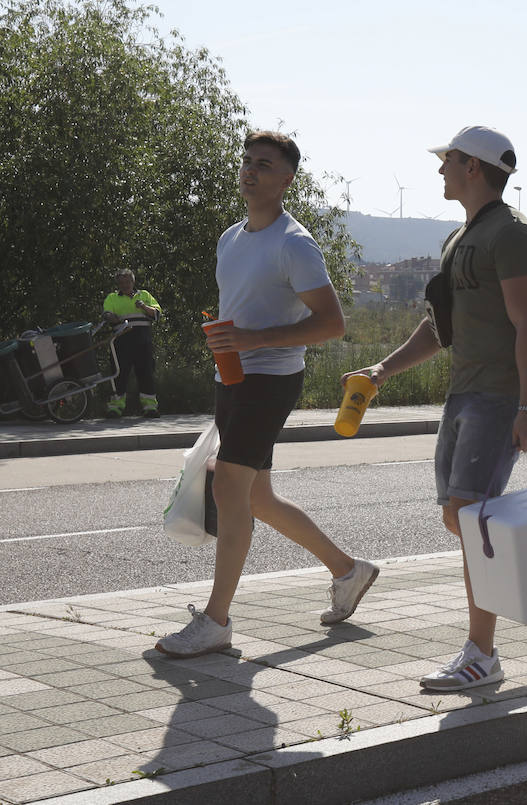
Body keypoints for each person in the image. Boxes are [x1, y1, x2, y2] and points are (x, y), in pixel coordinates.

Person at [344, 126, 527, 692]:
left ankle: (482, 655)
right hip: (463, 394)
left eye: (448, 160)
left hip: (499, 398)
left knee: (473, 518)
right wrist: (381, 371)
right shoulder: (460, 238)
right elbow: (439, 328)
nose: (440, 170)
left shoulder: (516, 237)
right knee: (461, 518)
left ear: (473, 167)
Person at [156, 131, 378, 658]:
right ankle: (349, 570)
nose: (251, 171)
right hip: (231, 379)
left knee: (229, 492)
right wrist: (227, 336)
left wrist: (255, 340)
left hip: (271, 381)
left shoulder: (294, 244)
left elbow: (331, 324)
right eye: (247, 162)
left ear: (287, 179)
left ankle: (216, 621)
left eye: (264, 165)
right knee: (257, 497)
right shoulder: (231, 238)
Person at [102, 269, 163, 418]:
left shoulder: (145, 295)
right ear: (118, 284)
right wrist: (111, 317)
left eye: (127, 282)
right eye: (121, 283)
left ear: (133, 282)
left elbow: (156, 314)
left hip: (143, 341)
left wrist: (143, 307)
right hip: (122, 341)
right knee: (119, 374)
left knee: (146, 373)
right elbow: (106, 314)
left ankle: (150, 408)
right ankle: (115, 408)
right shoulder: (112, 297)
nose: (124, 285)